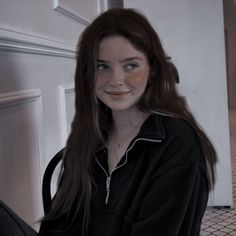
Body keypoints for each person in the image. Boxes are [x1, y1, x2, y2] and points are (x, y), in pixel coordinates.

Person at [39, 8, 217, 236]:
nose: (116, 80)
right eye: (102, 66)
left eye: (131, 65)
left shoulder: (177, 142)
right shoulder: (88, 138)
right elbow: (57, 225)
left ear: (151, 70)